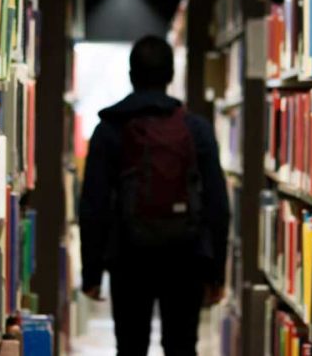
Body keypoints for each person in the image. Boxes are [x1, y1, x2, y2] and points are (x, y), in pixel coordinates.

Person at [79, 35, 230, 356]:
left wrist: (91, 271)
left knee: (131, 346)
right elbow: (218, 203)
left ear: (131, 75)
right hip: (185, 256)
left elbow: (93, 205)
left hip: (128, 257)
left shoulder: (109, 129)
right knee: (181, 346)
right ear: (171, 76)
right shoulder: (196, 129)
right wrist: (215, 271)